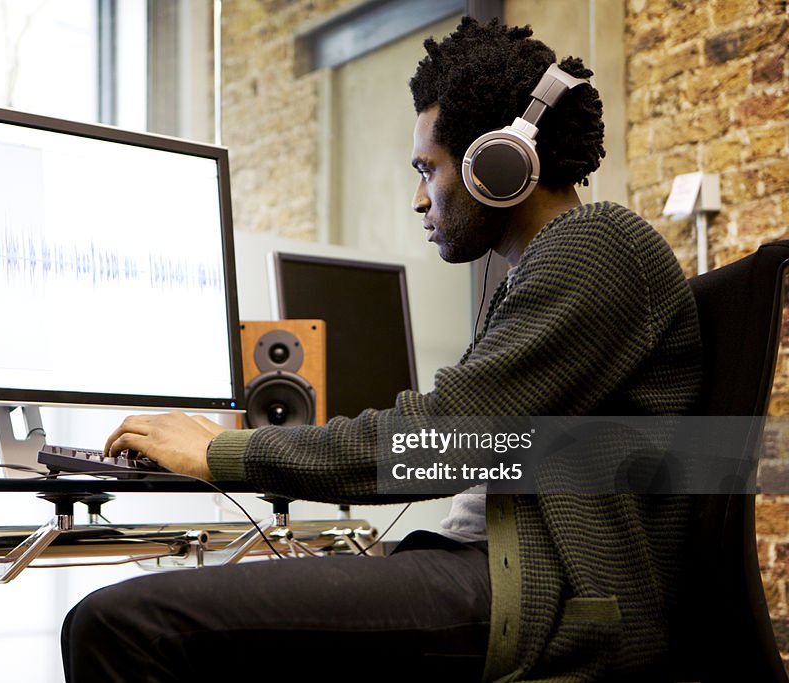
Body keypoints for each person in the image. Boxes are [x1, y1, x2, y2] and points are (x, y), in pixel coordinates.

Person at [61, 18, 701, 682]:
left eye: (428, 168)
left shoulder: (597, 248)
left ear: (499, 164)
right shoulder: (550, 264)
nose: (419, 198)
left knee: (118, 623)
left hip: (537, 601)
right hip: (496, 576)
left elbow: (440, 439)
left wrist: (222, 452)